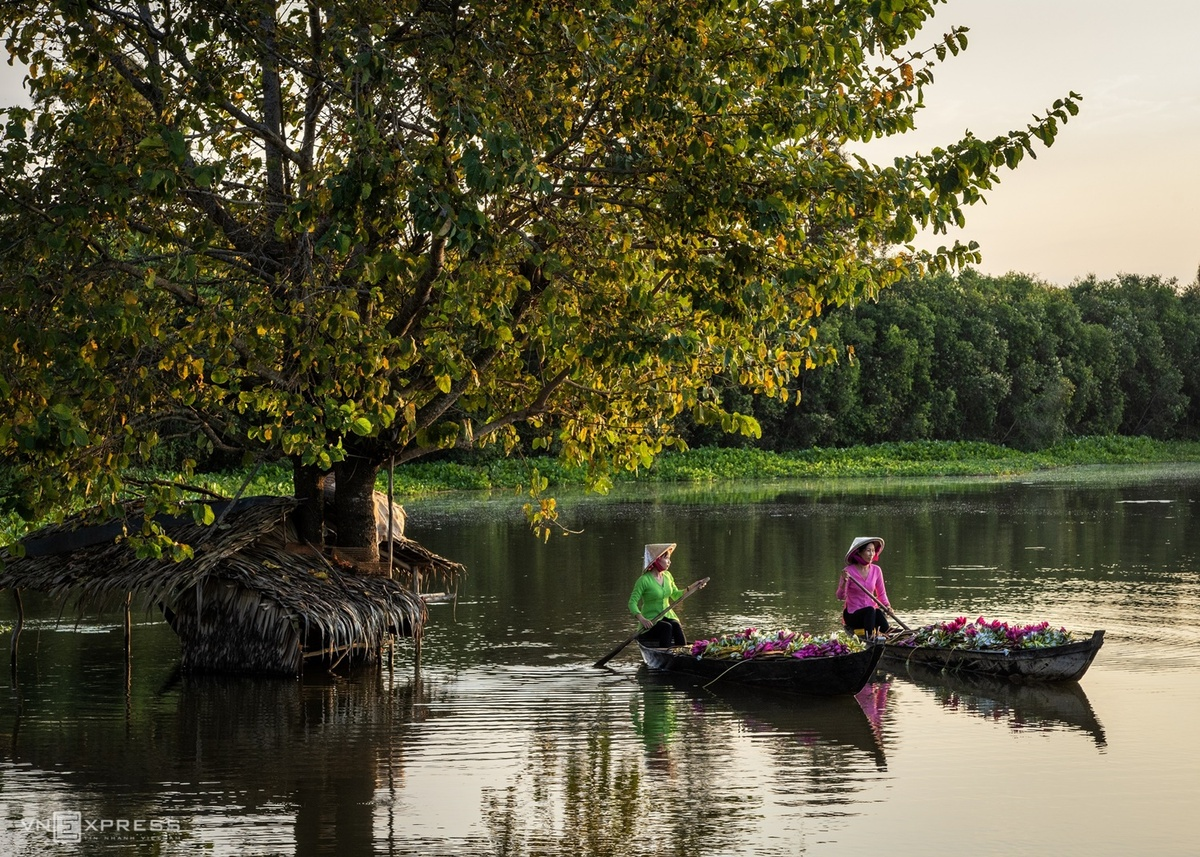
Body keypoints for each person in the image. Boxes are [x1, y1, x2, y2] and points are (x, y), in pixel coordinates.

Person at [629, 543, 699, 648]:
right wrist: (642, 619)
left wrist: (693, 587)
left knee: (675, 624)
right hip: (650, 622)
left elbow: (676, 595)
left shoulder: (667, 576)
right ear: (657, 559)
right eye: (666, 558)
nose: (669, 562)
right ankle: (666, 654)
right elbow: (632, 603)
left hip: (668, 616)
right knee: (666, 627)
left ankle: (684, 652)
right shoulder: (644, 580)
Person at [835, 536, 891, 639]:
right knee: (870, 610)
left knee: (878, 612)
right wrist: (844, 581)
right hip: (853, 615)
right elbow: (840, 597)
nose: (871, 554)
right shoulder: (848, 571)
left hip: (871, 615)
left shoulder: (876, 570)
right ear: (859, 552)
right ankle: (869, 638)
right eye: (868, 551)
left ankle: (890, 638)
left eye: (873, 551)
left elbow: (881, 594)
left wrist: (887, 606)